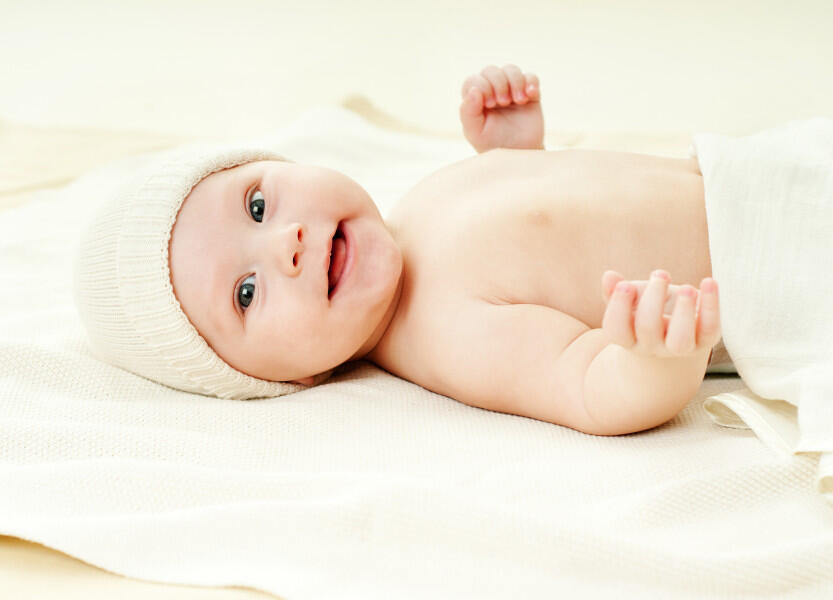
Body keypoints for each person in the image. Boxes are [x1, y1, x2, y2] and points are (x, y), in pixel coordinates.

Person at [73, 64, 721, 437]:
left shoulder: (415, 205)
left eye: (257, 206)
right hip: (764, 263)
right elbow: (585, 385)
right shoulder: (441, 335)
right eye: (246, 293)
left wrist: (516, 154)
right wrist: (655, 362)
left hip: (736, 172)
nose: (286, 244)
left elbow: (554, 251)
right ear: (279, 379)